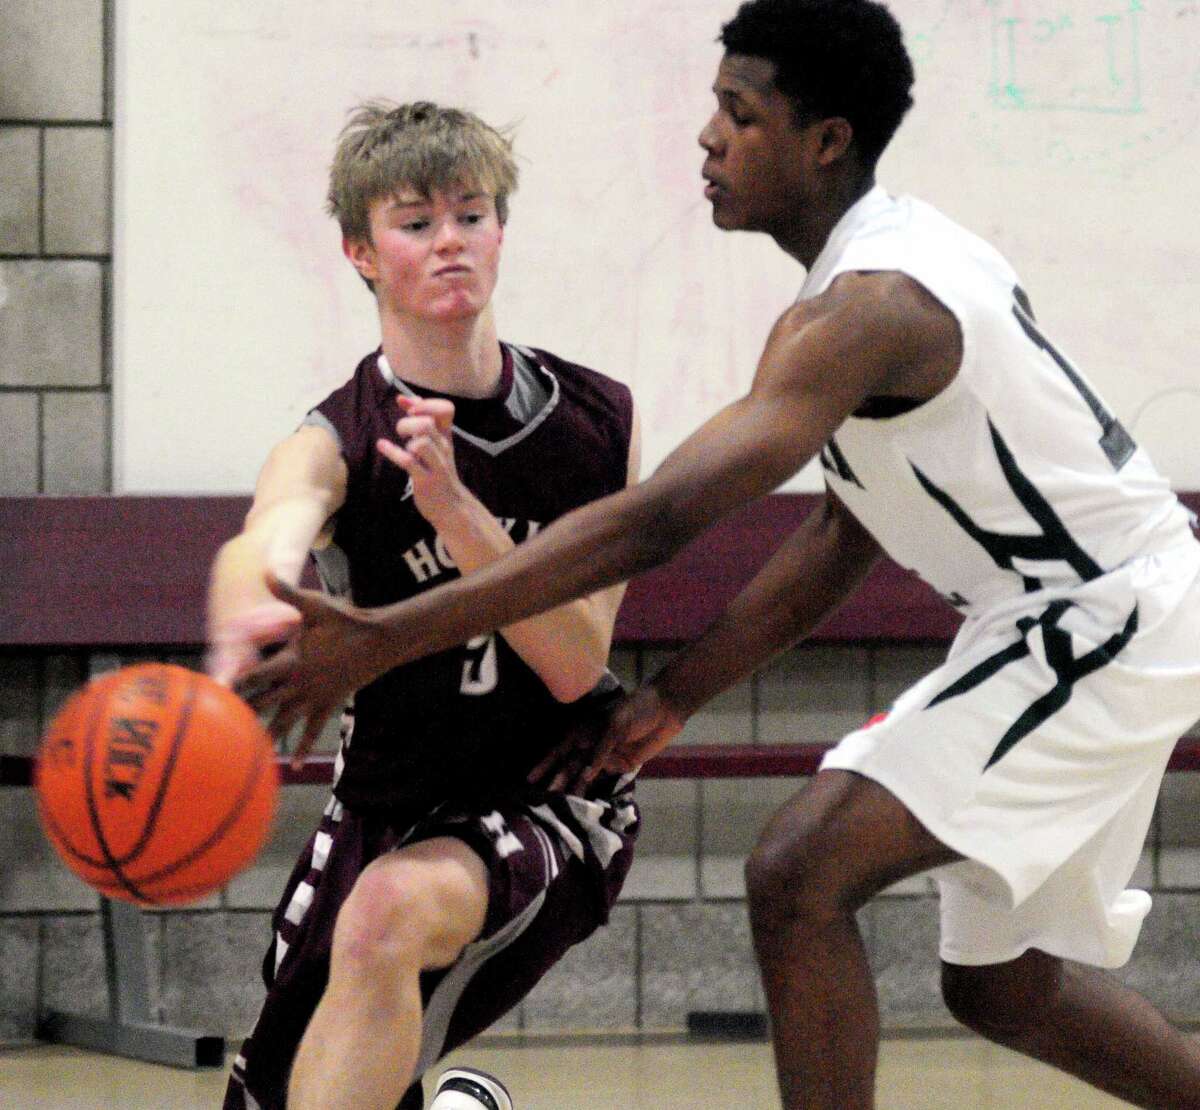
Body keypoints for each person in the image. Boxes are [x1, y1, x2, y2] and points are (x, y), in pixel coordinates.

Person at [237, 2, 1200, 1107]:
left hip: (1103, 614)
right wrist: (675, 697)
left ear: (825, 141)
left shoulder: (873, 305)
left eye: (739, 115)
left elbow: (657, 521)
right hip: (1065, 616)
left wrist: (384, 636)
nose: (707, 137)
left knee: (797, 873)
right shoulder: (861, 285)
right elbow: (848, 527)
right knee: (1002, 988)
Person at [206, 99, 642, 1110]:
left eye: (472, 214)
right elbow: (267, 535)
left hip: (553, 797)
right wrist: (249, 615)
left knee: (386, 916)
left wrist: (458, 514)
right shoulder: (335, 440)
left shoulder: (594, 421)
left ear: (501, 230)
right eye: (416, 223)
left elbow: (579, 666)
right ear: (362, 251)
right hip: (384, 807)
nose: (451, 241)